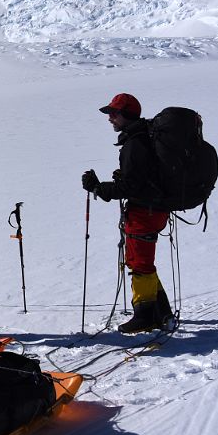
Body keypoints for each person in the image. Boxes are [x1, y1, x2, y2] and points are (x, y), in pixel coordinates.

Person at [82, 92, 174, 334]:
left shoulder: (135, 143)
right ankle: (161, 312)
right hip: (154, 209)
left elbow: (131, 187)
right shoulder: (143, 137)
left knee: (141, 263)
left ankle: (146, 317)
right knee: (141, 261)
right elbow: (140, 178)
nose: (110, 118)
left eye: (113, 113)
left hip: (145, 211)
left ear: (126, 115)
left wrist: (98, 187)